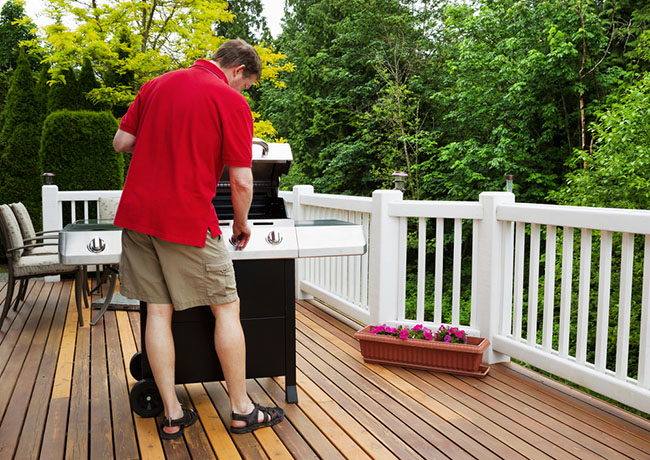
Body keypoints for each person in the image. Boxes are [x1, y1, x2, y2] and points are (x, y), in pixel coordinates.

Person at [112, 39, 285, 440]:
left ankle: (172, 413)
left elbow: (121, 142)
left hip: (138, 216)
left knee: (158, 311)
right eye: (245, 85)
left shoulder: (156, 85)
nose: (242, 93)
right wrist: (241, 224)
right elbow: (241, 179)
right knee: (226, 307)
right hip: (187, 218)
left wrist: (161, 140)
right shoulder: (230, 102)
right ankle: (242, 409)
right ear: (239, 70)